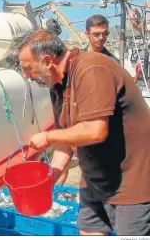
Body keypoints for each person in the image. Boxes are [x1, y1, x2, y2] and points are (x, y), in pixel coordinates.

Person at [17, 29, 150, 236]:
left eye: (27, 68)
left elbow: (95, 130)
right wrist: (49, 180)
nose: (26, 75)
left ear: (47, 61)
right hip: (94, 180)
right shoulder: (57, 85)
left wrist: (47, 137)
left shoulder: (91, 68)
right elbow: (66, 140)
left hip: (131, 182)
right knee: (88, 232)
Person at [53, 14, 119, 185]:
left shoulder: (113, 62)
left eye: (105, 34)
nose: (101, 38)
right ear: (86, 34)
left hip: (97, 121)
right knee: (62, 162)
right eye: (96, 34)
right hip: (76, 117)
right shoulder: (75, 60)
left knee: (90, 170)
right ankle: (52, 196)